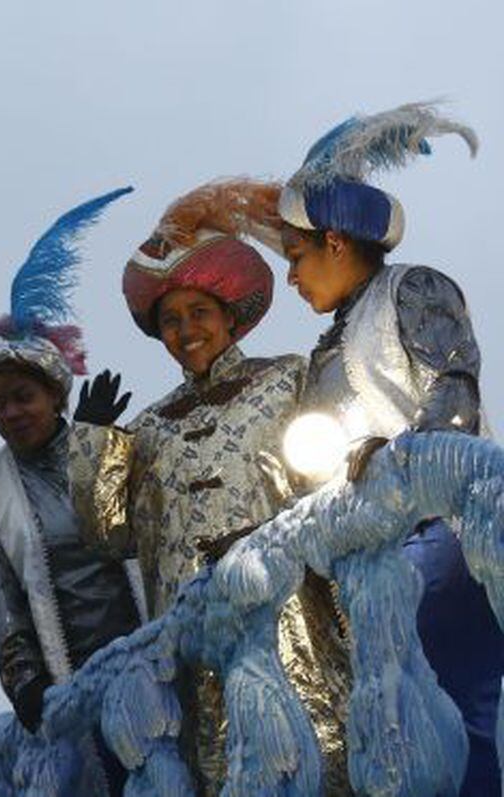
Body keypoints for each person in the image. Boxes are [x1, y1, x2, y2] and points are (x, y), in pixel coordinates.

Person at [69, 180, 351, 795]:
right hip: (193, 646)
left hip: (289, 616)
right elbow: (108, 534)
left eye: (198, 312)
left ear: (229, 317)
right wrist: (92, 443)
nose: (185, 329)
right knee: (218, 774)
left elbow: (332, 478)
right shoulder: (144, 430)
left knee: (321, 760)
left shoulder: (288, 379)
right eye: (170, 320)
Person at [276, 101, 504, 796]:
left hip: (448, 542)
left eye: (296, 255)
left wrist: (394, 458)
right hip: (371, 575)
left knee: (458, 718)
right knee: (393, 737)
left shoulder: (415, 288)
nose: (291, 277)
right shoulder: (321, 355)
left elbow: (454, 397)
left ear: (337, 242)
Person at [0, 188, 140, 795]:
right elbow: (0, 594)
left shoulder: (111, 438)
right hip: (71, 687)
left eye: (22, 397)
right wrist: (23, 680)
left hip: (155, 655)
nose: (10, 413)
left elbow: (132, 536)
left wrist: (99, 451)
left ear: (55, 395)